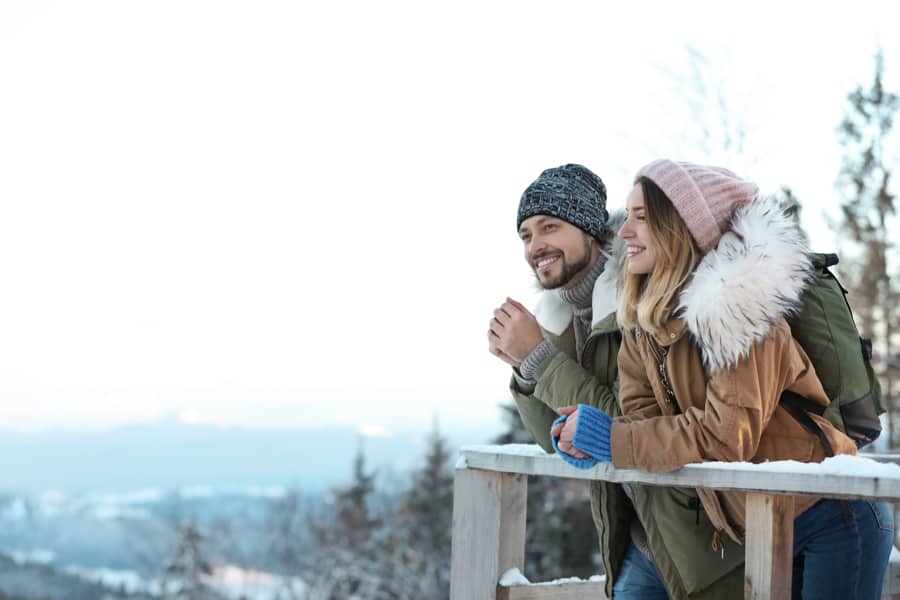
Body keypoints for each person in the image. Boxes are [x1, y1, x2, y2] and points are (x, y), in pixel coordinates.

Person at [552, 159, 895, 599]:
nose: (623, 232)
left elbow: (725, 437)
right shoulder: (642, 324)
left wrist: (614, 441)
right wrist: (596, 438)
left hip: (834, 521)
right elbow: (640, 423)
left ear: (680, 226)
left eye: (641, 217)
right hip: (759, 528)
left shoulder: (744, 311)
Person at [488, 163, 746, 599]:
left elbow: (626, 428)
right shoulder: (561, 317)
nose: (536, 245)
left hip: (703, 542)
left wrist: (539, 357)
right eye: (526, 235)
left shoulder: (642, 298)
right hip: (640, 539)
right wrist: (524, 365)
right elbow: (552, 438)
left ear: (589, 230)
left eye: (549, 227)